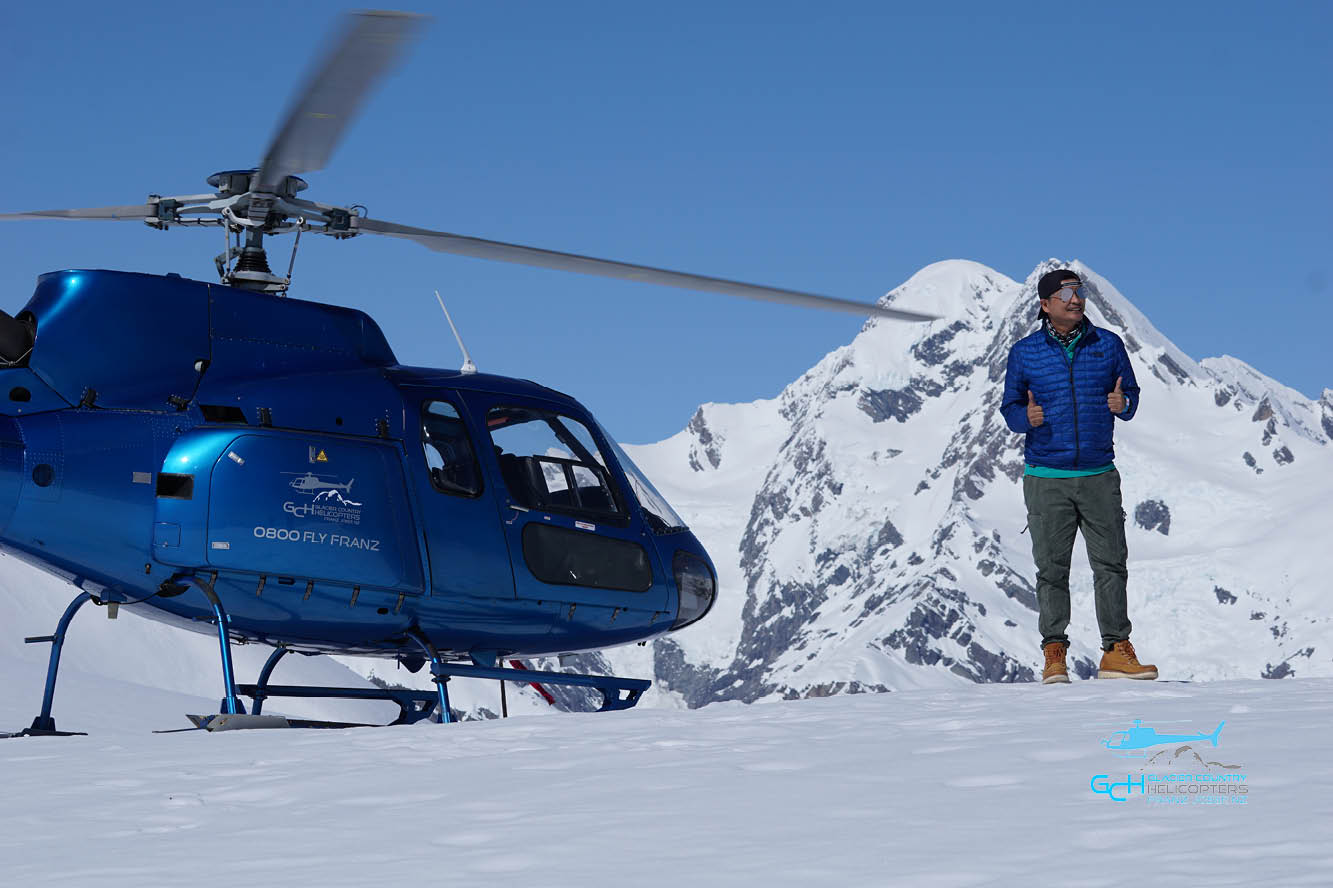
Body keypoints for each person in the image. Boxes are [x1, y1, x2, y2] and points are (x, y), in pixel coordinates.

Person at [1000, 269, 1157, 684]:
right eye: (1066, 293)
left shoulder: (1108, 345)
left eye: (1080, 291)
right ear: (1045, 304)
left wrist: (1122, 403)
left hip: (1099, 473)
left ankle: (1116, 652)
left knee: (1111, 564)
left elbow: (1132, 397)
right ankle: (1055, 654)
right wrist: (1024, 418)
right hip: (1045, 476)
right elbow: (1010, 407)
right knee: (1052, 569)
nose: (1076, 299)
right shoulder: (1025, 353)